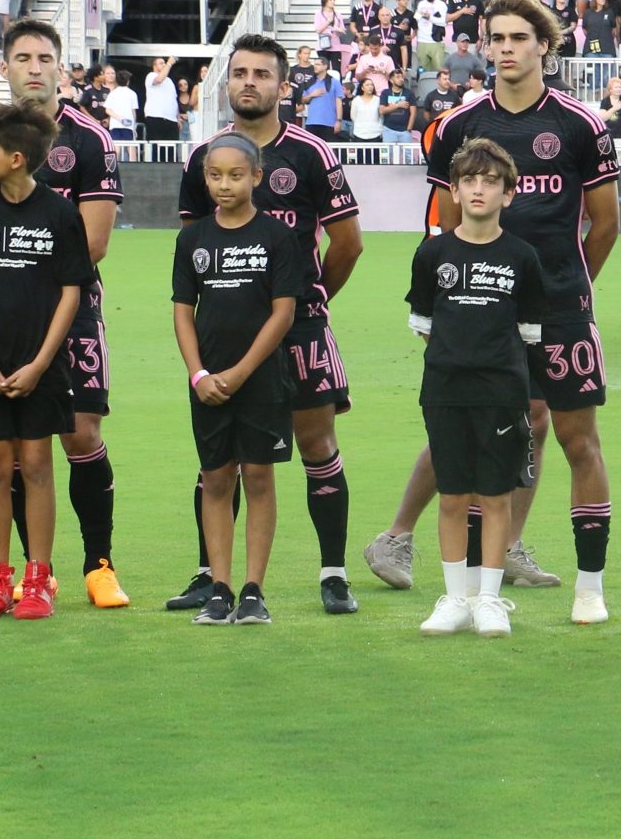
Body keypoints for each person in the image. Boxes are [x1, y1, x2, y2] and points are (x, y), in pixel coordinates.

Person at [374, 0, 619, 619]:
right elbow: (443, 224)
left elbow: (606, 224)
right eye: (496, 38)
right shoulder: (458, 125)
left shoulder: (579, 124)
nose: (506, 48)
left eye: (519, 37)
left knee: (565, 432)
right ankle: (398, 536)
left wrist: (563, 287)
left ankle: (558, 572)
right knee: (467, 421)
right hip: (476, 306)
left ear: (544, 46)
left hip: (560, 308)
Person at [167, 33, 367, 617]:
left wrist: (307, 299)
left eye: (261, 74)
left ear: (282, 86)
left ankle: (333, 574)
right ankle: (211, 575)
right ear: (227, 83)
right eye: (239, 73)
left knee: (315, 443)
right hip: (224, 332)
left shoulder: (311, 153)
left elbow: (348, 244)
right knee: (220, 455)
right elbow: (195, 250)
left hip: (299, 330)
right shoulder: (204, 158)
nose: (248, 82)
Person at [0, 20, 128, 608]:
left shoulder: (90, 140)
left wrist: (32, 276)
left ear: (60, 67)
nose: (33, 68)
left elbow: (93, 243)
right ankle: (31, 574)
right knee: (14, 452)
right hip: (1, 321)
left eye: (44, 58)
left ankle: (98, 564)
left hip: (70, 312)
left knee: (80, 433)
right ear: (4, 67)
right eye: (22, 58)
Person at [0, 103, 93, 623]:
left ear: (15, 159)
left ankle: (38, 580)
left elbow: (72, 291)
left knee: (35, 465)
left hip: (41, 368)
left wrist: (39, 363)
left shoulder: (59, 214)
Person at [407, 138, 550, 640]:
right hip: (444, 390)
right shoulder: (433, 253)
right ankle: (455, 599)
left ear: (508, 193)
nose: (479, 189)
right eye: (469, 180)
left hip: (503, 393)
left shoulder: (522, 257)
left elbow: (528, 333)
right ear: (454, 190)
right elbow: (425, 325)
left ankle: (489, 599)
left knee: (494, 496)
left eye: (490, 182)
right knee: (451, 496)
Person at [173, 134, 309, 626]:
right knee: (215, 478)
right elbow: (183, 311)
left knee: (257, 476)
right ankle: (219, 588)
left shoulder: (277, 237)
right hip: (208, 384)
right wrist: (198, 374)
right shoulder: (192, 239)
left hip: (262, 380)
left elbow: (283, 313)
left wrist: (241, 371)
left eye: (235, 175)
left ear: (256, 176)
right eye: (214, 175)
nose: (224, 185)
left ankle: (253, 590)